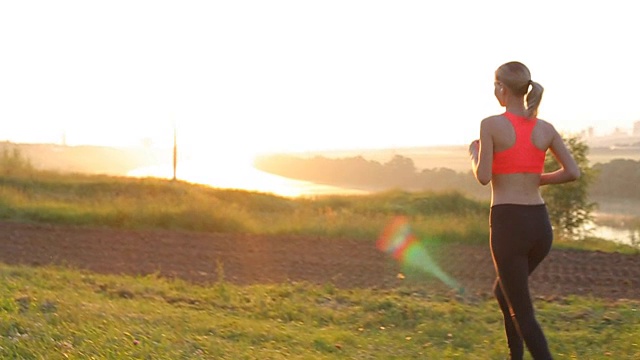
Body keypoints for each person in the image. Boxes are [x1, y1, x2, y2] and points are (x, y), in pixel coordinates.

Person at [468, 61, 580, 360]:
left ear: (501, 88)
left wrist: (474, 153)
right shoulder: (546, 129)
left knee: (523, 313)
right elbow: (572, 172)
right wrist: (536, 179)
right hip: (540, 228)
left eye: (495, 85)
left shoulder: (491, 124)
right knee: (503, 294)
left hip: (509, 225)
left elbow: (483, 176)